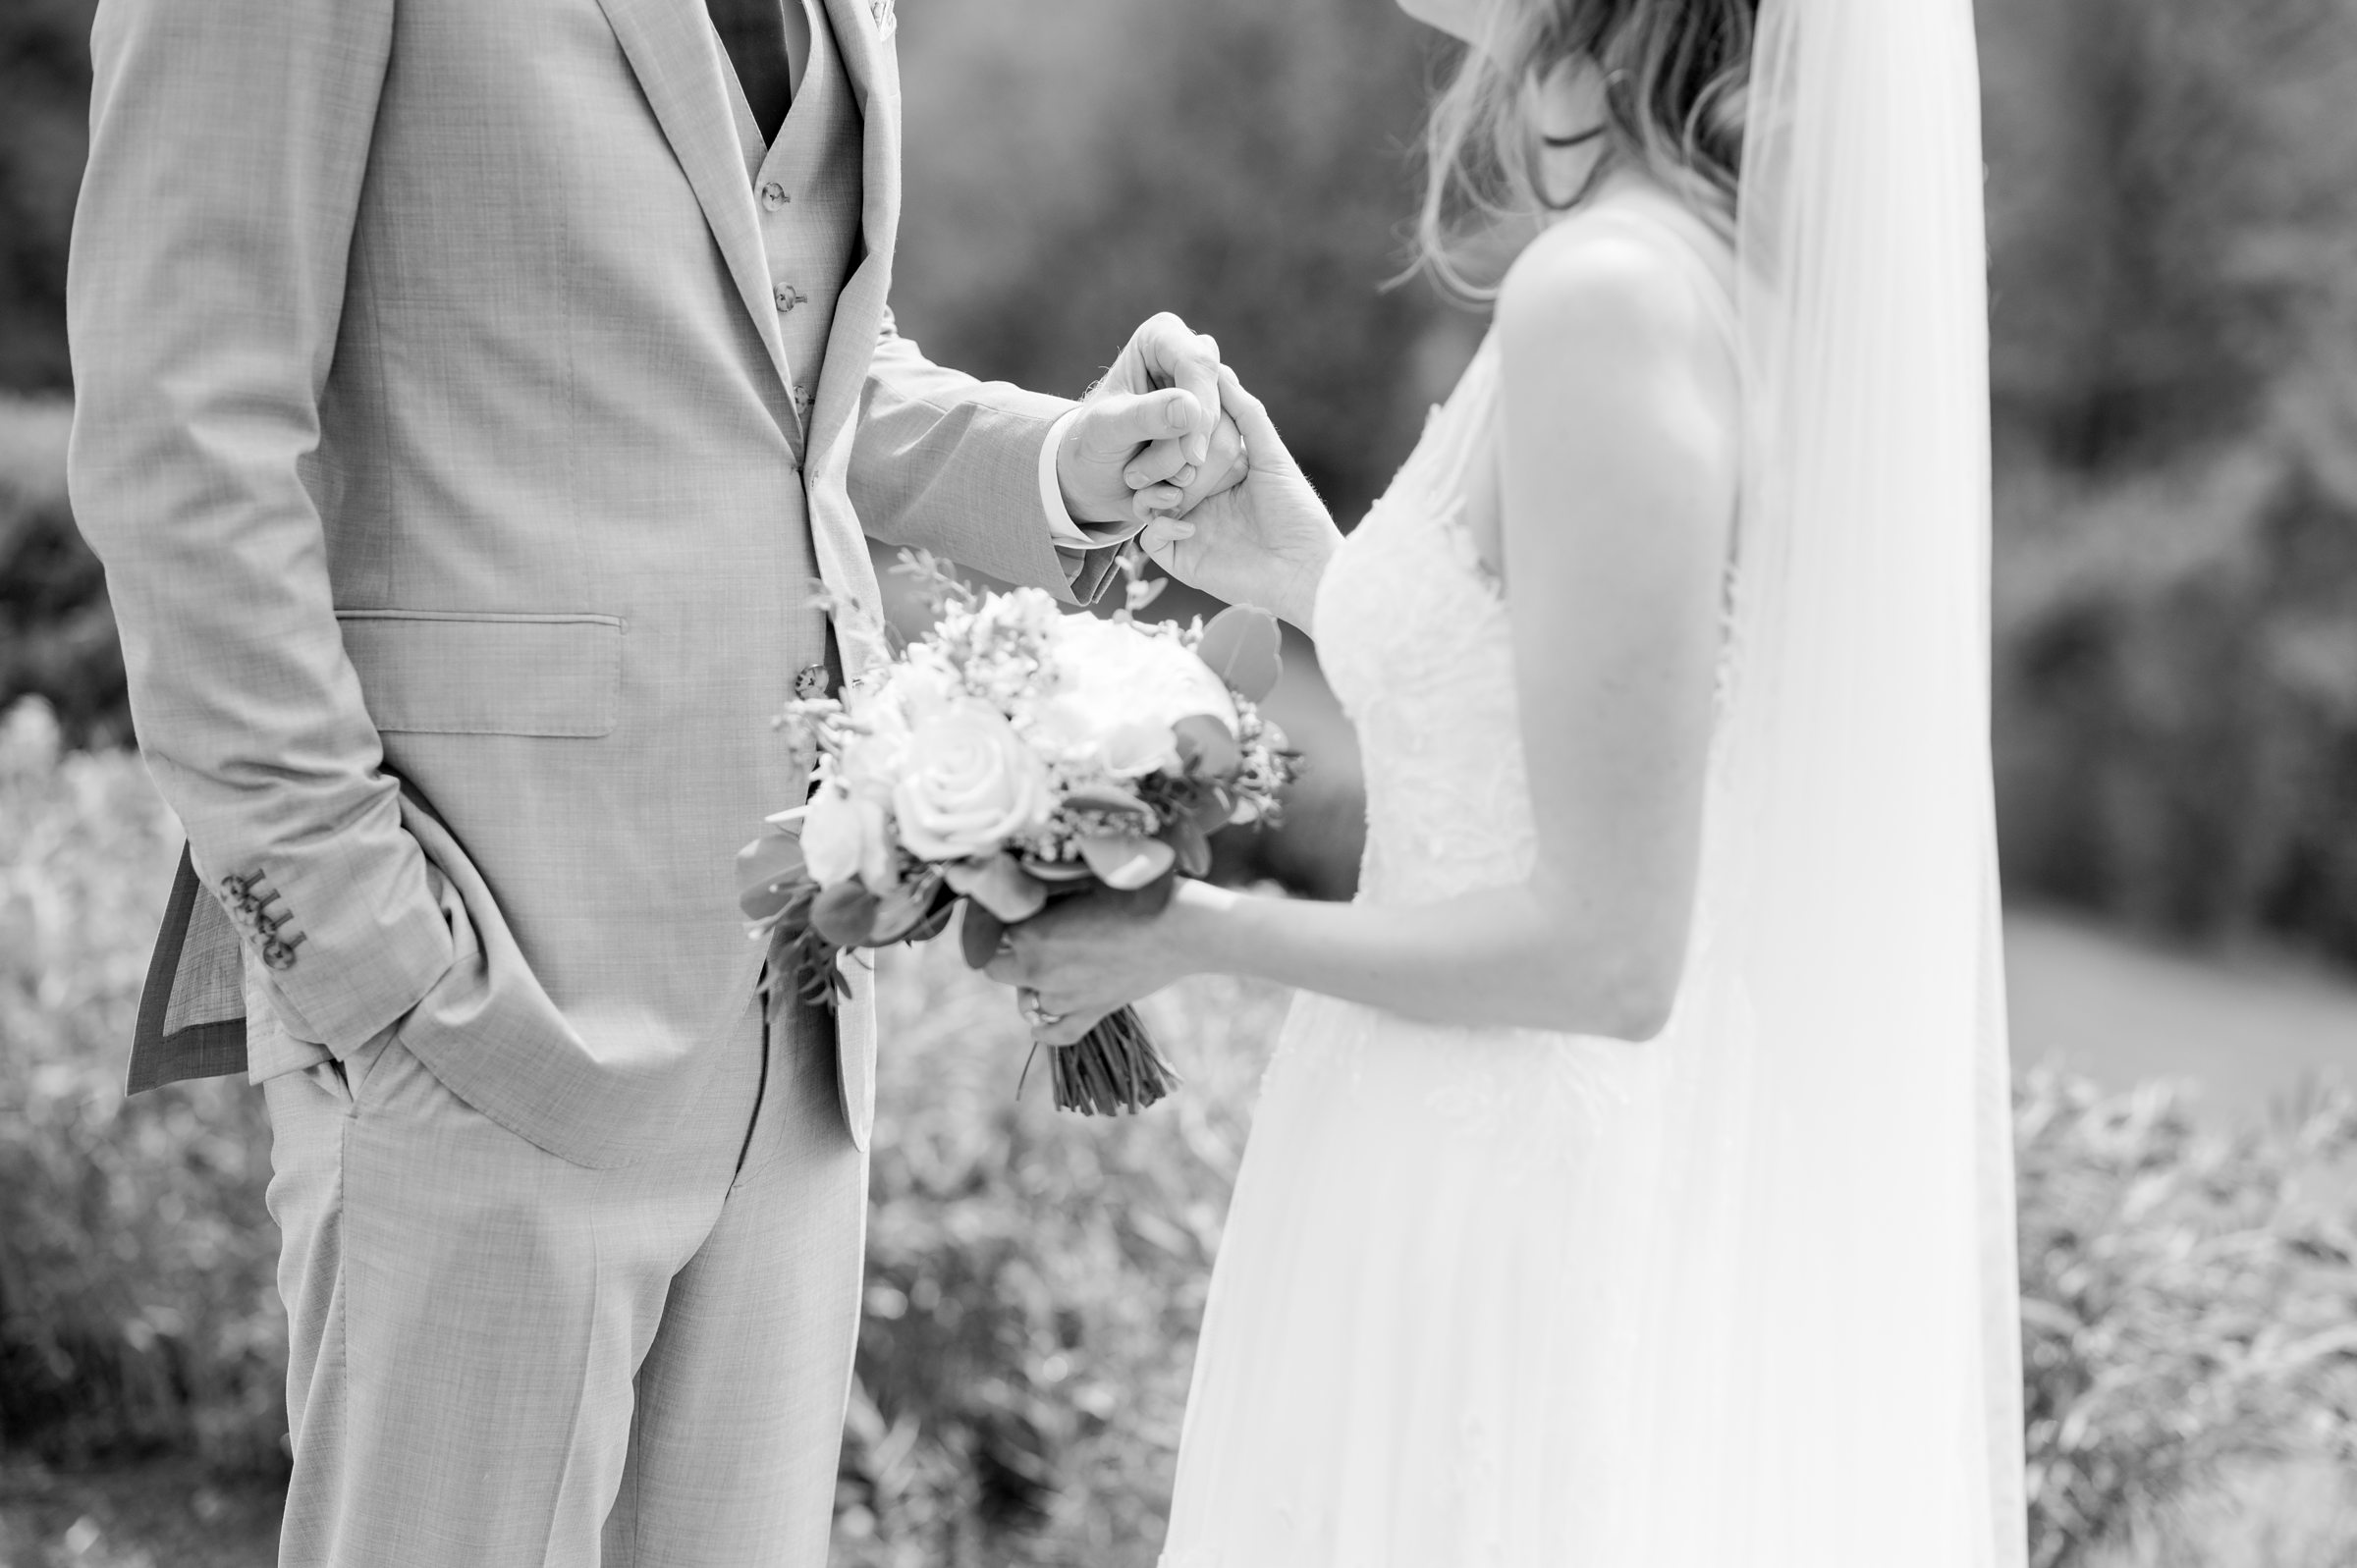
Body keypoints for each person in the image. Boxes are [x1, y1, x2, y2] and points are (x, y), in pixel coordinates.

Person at [63, 0, 1300, 1562]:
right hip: (479, 1001)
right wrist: (369, 957)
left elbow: (777, 356)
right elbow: (182, 437)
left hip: (798, 1016)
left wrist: (1060, 463)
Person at [990, 0, 2030, 1560]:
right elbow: (1535, 732)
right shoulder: (1672, 271)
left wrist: (1185, 929)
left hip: (1505, 1217)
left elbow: (1609, 954)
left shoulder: (1609, 296)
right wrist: (1305, 568)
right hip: (1427, 1151)